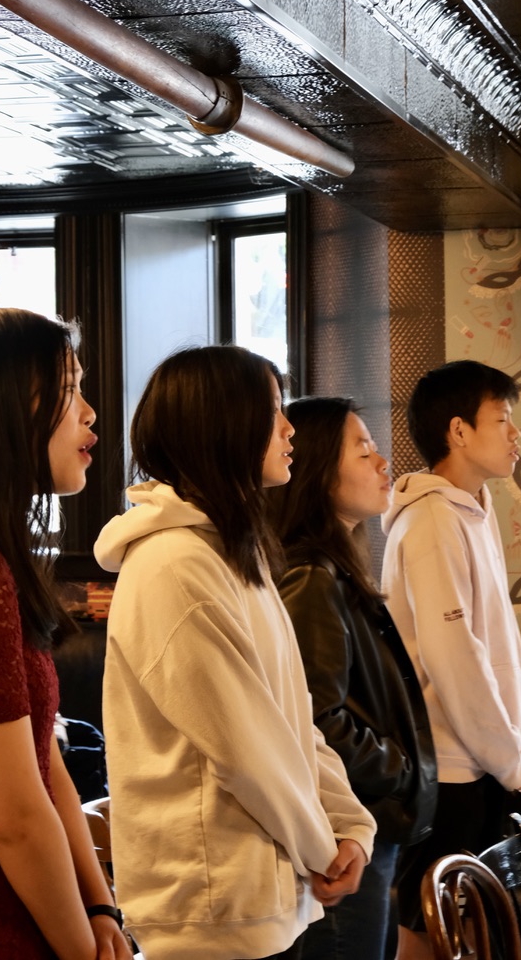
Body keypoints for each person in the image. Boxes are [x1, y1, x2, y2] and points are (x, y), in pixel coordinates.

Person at [95, 346, 376, 960]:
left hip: (263, 893)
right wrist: (322, 848)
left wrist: (349, 824)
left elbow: (291, 720)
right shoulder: (174, 564)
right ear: (221, 424)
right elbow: (247, 749)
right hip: (212, 908)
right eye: (273, 409)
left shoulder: (232, 552)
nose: (289, 428)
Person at [380, 359, 521, 960]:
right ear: (458, 431)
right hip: (452, 766)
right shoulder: (431, 520)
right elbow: (456, 658)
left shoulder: (473, 508)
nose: (515, 434)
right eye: (502, 420)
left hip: (487, 760)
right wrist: (512, 763)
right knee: (433, 933)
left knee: (478, 931)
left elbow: (502, 646)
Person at [0, 307, 132, 960]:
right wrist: (82, 947)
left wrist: (100, 907)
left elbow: (45, 763)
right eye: (68, 390)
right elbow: (14, 816)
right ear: (3, 407)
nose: (90, 413)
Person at [269, 396, 437, 960]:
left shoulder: (334, 571)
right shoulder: (311, 579)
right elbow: (316, 719)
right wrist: (399, 767)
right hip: (342, 826)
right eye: (363, 451)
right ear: (318, 470)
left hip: (361, 821)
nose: (383, 462)